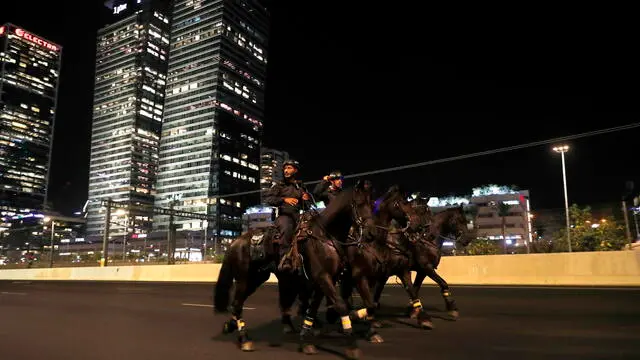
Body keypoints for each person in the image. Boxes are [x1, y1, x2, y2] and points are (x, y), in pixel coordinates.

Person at [263, 159, 310, 273]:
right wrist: (284, 199)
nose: (286, 170)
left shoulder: (300, 187)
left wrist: (306, 200)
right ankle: (285, 259)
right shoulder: (279, 185)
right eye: (285, 168)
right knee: (287, 227)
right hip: (284, 216)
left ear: (295, 170)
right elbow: (269, 199)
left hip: (298, 217)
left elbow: (307, 206)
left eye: (289, 168)